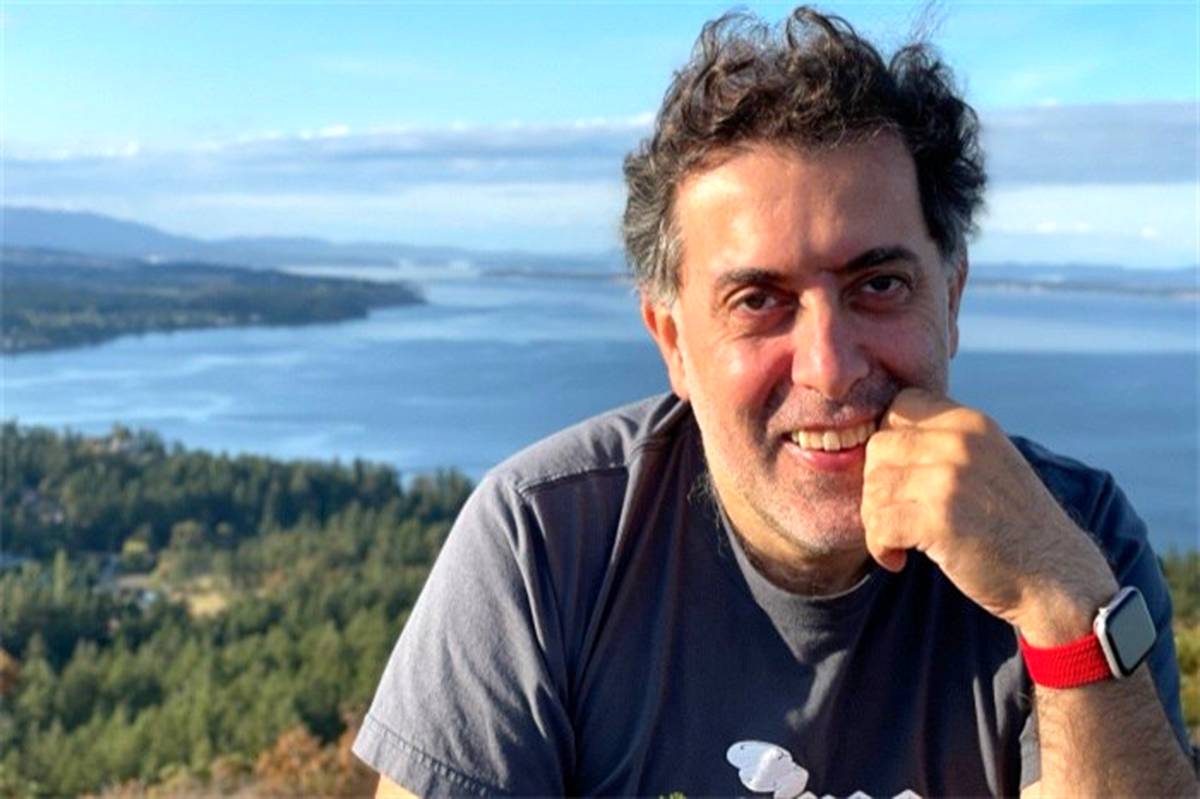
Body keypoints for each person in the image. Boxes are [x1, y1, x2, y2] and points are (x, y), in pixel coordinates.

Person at [354, 7, 1198, 796]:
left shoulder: (1070, 538)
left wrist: (1061, 607)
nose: (829, 369)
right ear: (673, 340)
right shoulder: (547, 542)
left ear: (951, 298)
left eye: (879, 284)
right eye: (759, 300)